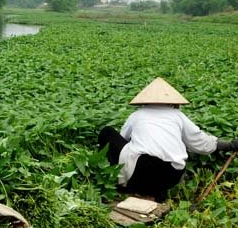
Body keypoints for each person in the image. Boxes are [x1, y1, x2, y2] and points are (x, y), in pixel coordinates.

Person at [99, 77, 238, 202]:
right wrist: (230, 145)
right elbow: (200, 142)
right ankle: (156, 193)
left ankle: (114, 182)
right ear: (173, 102)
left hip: (142, 172)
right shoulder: (177, 116)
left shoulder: (137, 115)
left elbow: (122, 141)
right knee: (152, 164)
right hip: (171, 176)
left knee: (107, 132)